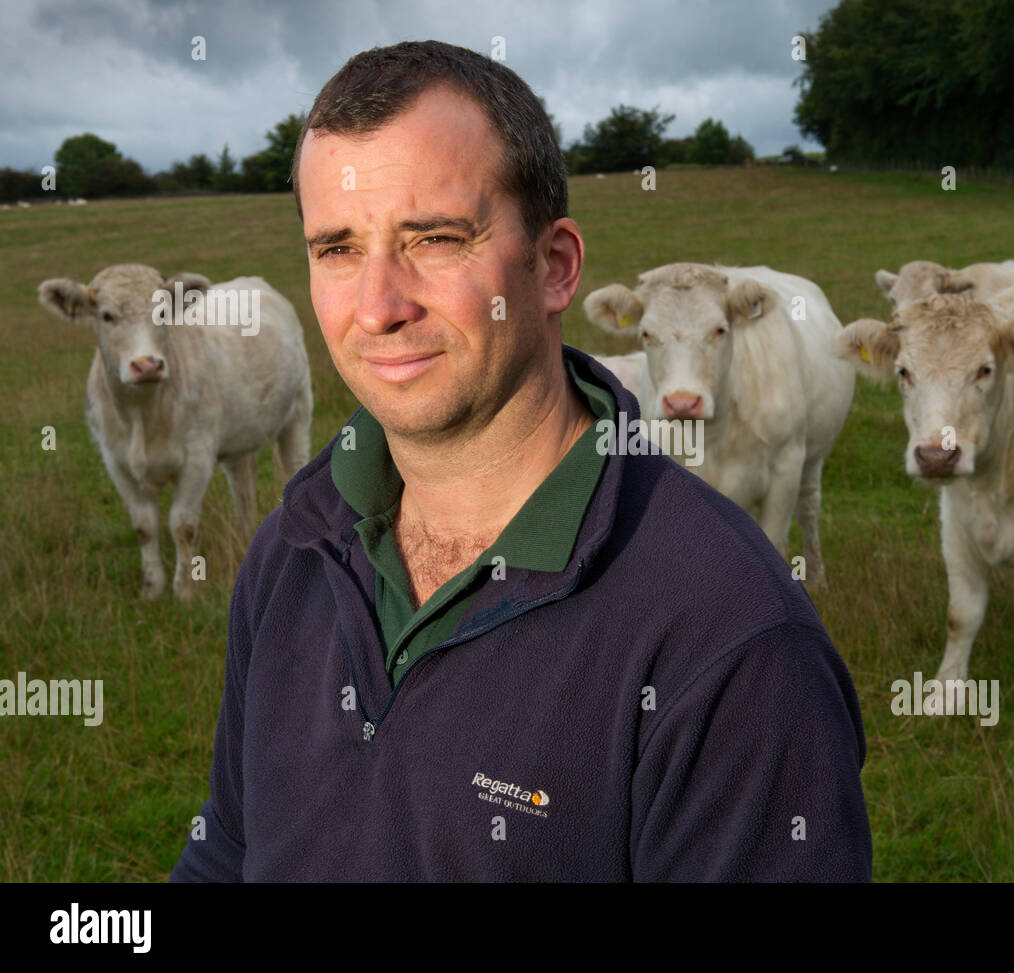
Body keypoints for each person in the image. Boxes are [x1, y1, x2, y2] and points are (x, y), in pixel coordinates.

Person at [170, 39, 871, 882]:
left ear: (554, 266)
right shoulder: (293, 549)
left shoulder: (732, 642)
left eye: (434, 238)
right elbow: (227, 856)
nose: (379, 307)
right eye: (338, 249)